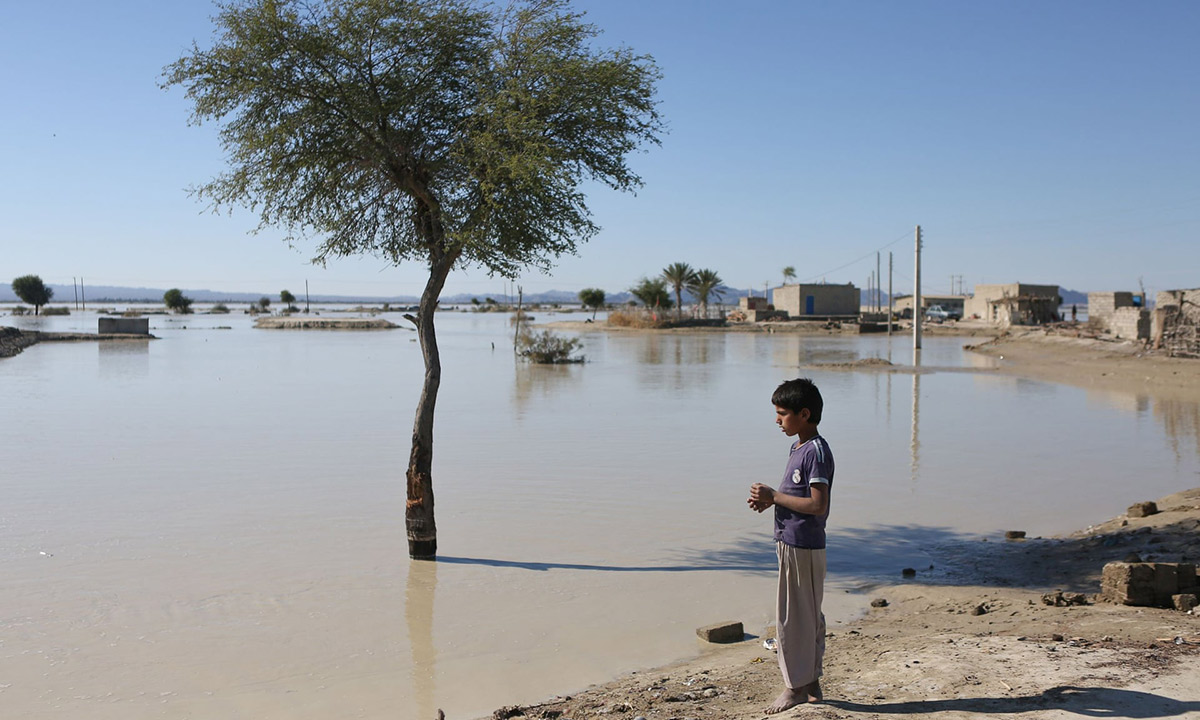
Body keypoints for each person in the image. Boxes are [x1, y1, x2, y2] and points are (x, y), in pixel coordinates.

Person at [748, 378, 834, 714]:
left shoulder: (816, 452)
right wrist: (773, 503)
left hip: (804, 546)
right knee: (806, 616)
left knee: (793, 620)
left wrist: (774, 496)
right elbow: (797, 498)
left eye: (783, 414)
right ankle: (810, 683)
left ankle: (794, 688)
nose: (777, 420)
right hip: (792, 542)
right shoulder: (800, 447)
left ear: (805, 413)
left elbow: (817, 506)